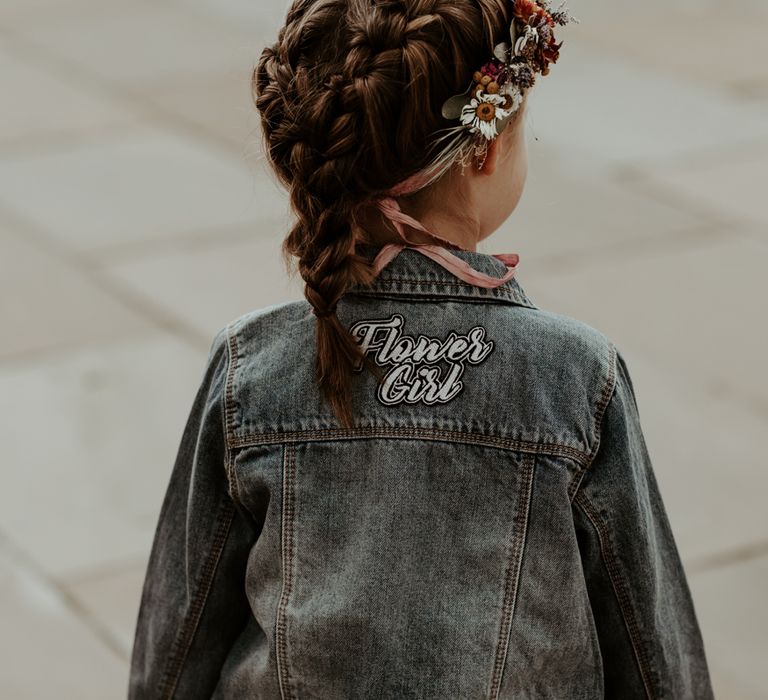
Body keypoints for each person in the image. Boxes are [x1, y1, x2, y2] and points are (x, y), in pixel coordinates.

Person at [128, 1, 714, 698]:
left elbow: (178, 644)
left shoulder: (250, 369)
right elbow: (653, 655)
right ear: (486, 145)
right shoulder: (575, 379)